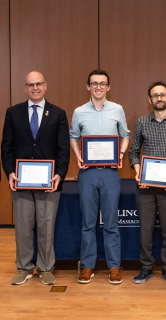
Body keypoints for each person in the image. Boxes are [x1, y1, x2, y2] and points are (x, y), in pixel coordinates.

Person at [1, 71, 70, 285]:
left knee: (46, 225)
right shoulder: (13, 113)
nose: (35, 88)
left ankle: (46, 268)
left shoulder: (58, 114)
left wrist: (59, 175)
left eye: (38, 84)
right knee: (22, 225)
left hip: (49, 183)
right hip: (21, 182)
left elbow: (63, 149)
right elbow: (6, 147)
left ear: (45, 85)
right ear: (25, 88)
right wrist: (10, 172)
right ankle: (24, 267)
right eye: (30, 85)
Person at [70, 69, 130, 285]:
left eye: (102, 83)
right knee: (88, 223)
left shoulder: (117, 109)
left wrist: (121, 154)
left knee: (111, 223)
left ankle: (114, 267)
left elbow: (125, 135)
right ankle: (87, 266)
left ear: (108, 87)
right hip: (87, 173)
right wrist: (77, 156)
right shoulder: (79, 111)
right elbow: (74, 137)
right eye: (94, 83)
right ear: (88, 86)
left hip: (110, 173)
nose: (98, 87)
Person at [128, 81, 166, 285]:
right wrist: (138, 173)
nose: (159, 98)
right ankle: (146, 267)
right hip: (145, 186)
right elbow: (134, 152)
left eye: (162, 95)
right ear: (150, 100)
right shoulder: (142, 122)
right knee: (145, 229)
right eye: (155, 95)